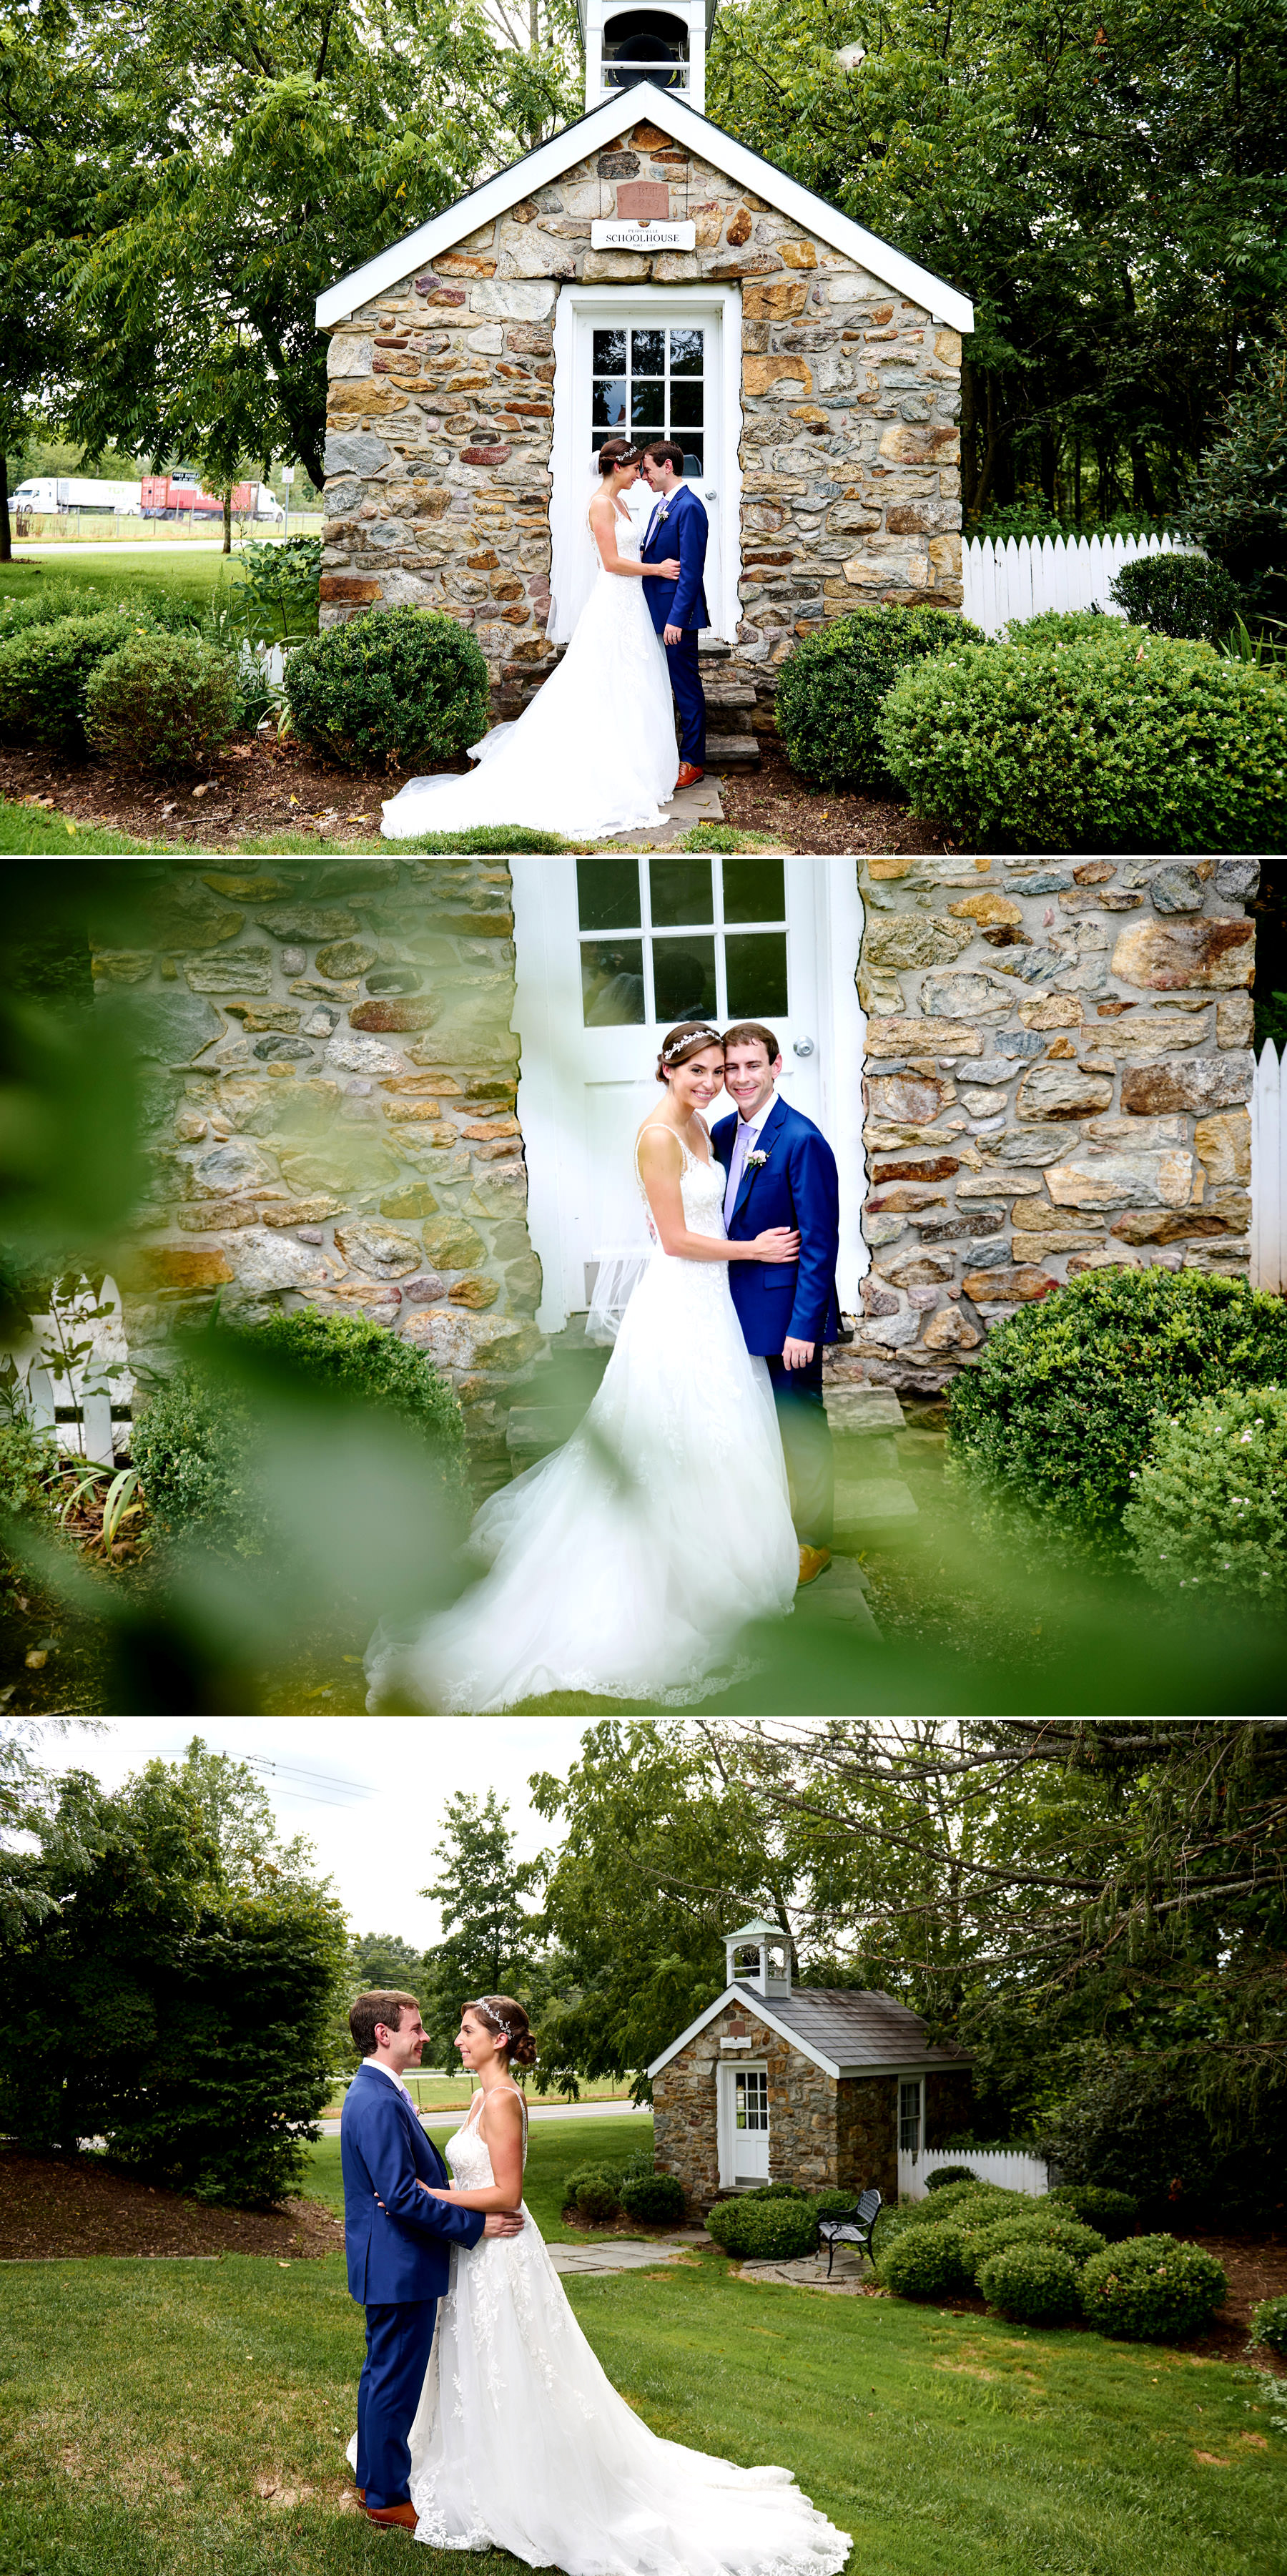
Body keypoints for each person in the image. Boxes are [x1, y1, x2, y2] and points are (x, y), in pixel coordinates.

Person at [363, 1023, 802, 1712]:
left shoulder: (702, 1130)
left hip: (711, 1306)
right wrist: (755, 1251)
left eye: (718, 1072)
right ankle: (645, 1593)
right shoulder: (659, 1137)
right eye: (698, 1073)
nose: (712, 1083)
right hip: (681, 1300)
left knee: (717, 1433)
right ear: (667, 1071)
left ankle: (716, 1575)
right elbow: (681, 1240)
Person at [385, 1995, 852, 2575]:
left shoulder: (504, 2099)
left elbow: (507, 2195)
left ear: (498, 2040)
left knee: (515, 2357)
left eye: (466, 2031)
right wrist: (452, 2201)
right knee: (477, 2357)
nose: (457, 2040)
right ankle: (476, 2457)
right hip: (476, 2247)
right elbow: (476, 2180)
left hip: (502, 2250)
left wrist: (426, 2196)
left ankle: (528, 2479)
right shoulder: (480, 2095)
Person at [380, 439, 682, 842]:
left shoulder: (624, 505)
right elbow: (609, 563)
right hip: (614, 602)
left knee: (632, 685)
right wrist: (656, 570)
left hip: (631, 607)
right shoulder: (600, 505)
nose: (638, 476)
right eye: (633, 470)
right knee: (602, 685)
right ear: (617, 468)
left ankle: (635, 768)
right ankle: (597, 773)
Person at [340, 1988, 525, 2532]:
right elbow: (401, 2195)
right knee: (394, 2380)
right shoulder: (375, 2099)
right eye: (416, 2027)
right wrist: (476, 2223)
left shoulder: (381, 2092)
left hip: (397, 2263)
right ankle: (386, 2498)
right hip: (399, 2266)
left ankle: (376, 2482)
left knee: (386, 2376)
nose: (426, 2036)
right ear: (384, 2034)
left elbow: (407, 2189)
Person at [713, 1023, 841, 1588]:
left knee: (799, 1426)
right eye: (730, 1068)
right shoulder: (720, 1133)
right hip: (730, 1310)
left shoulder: (801, 1139)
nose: (741, 1078)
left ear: (775, 1066)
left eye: (751, 1066)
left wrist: (803, 1328)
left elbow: (820, 1241)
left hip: (786, 1317)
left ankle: (814, 1541)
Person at [638, 439, 709, 787]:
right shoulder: (661, 506)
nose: (643, 476)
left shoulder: (690, 507)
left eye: (648, 469)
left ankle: (693, 762)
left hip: (674, 618)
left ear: (668, 467)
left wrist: (677, 619)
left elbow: (692, 570)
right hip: (653, 610)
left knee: (685, 688)